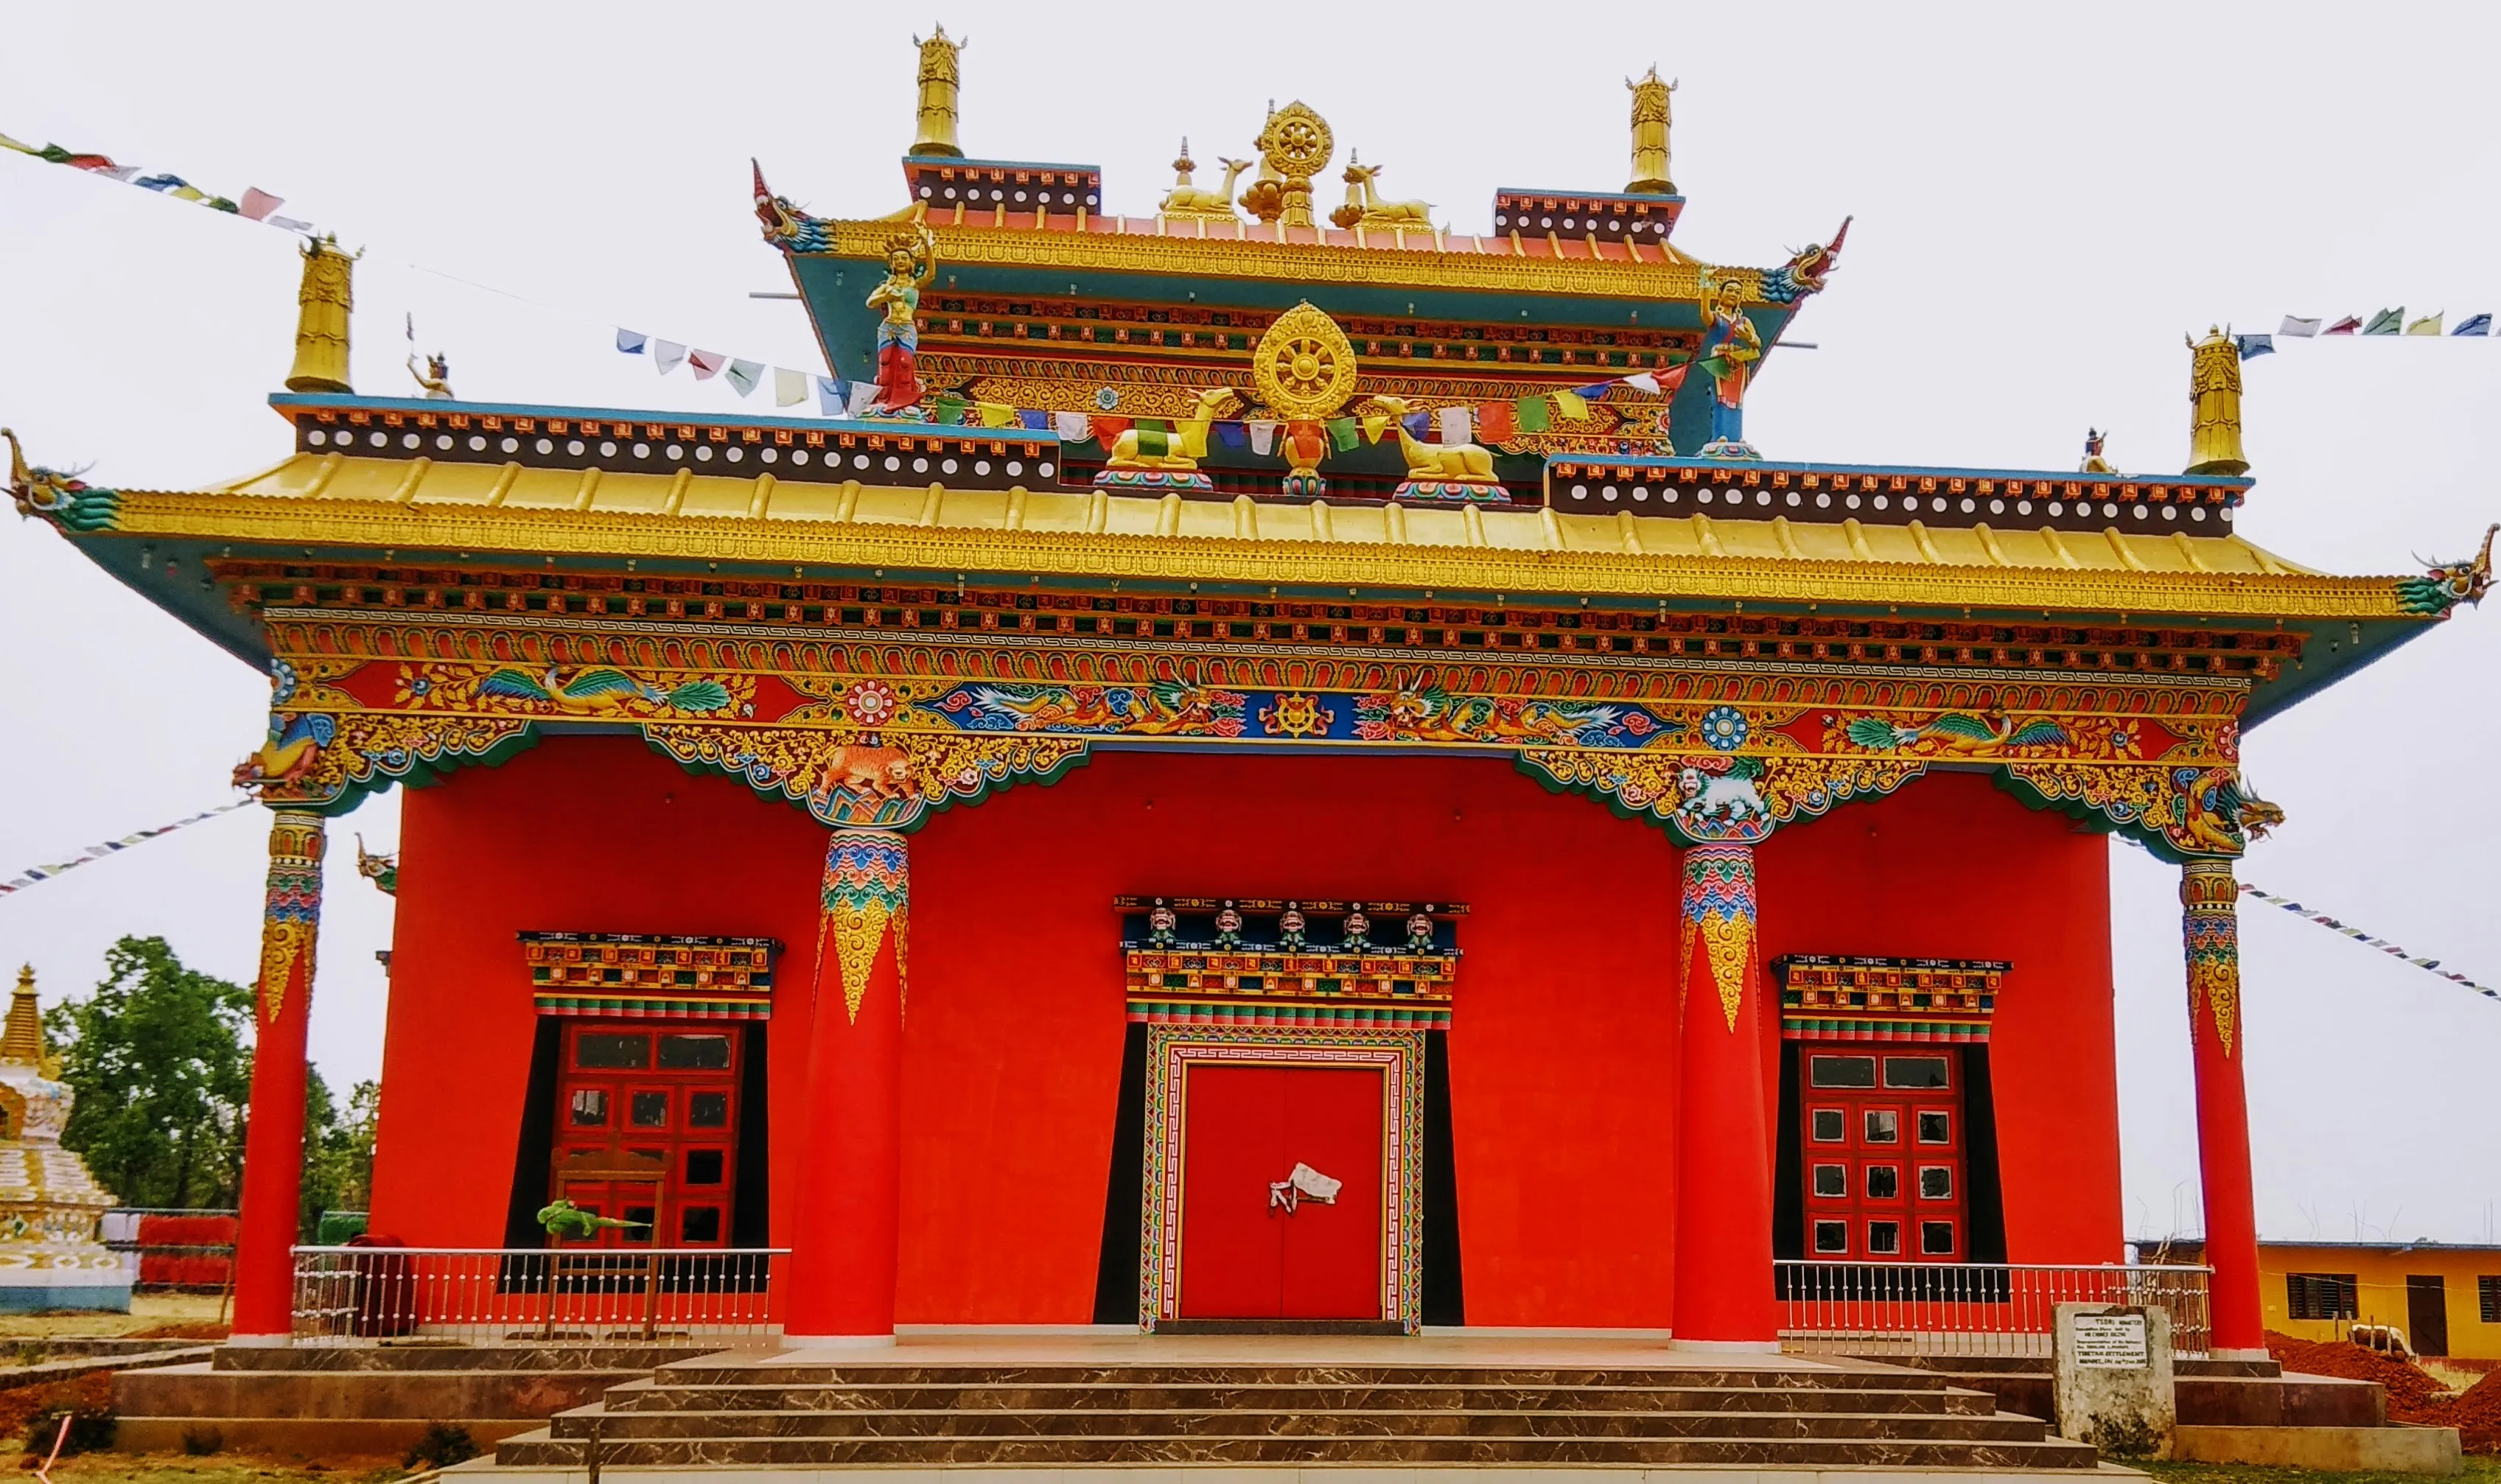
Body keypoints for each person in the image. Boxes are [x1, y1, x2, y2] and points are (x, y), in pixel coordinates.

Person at [865, 225, 937, 416]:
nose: (900, 261)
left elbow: (931, 273)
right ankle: (884, 400)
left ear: (912, 262)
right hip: (888, 326)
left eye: (904, 258)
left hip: (906, 326)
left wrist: (926, 245)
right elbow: (870, 302)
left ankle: (904, 401)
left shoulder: (915, 284)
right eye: (896, 259)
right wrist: (886, 296)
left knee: (905, 363)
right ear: (891, 263)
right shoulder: (887, 286)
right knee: (885, 363)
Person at [1698, 273, 1760, 449]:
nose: (1733, 294)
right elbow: (1704, 313)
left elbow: (1757, 342)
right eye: (1730, 290)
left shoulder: (1744, 321)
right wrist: (1706, 284)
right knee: (1720, 397)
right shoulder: (1717, 319)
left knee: (1737, 399)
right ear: (1721, 294)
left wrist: (1749, 336)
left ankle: (1736, 436)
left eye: (1737, 292)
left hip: (1739, 360)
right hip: (1720, 359)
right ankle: (1721, 434)